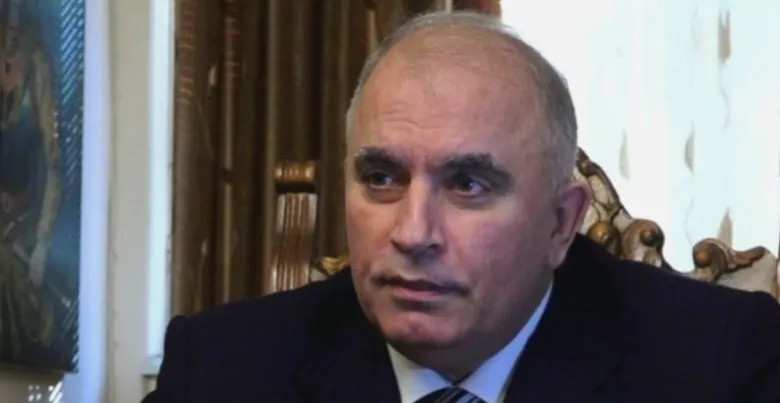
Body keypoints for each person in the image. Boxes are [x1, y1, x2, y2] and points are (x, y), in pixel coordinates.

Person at [143, 11, 780, 403]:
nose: (412, 232)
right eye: (381, 177)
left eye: (469, 185)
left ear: (561, 222)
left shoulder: (715, 366)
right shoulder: (223, 370)